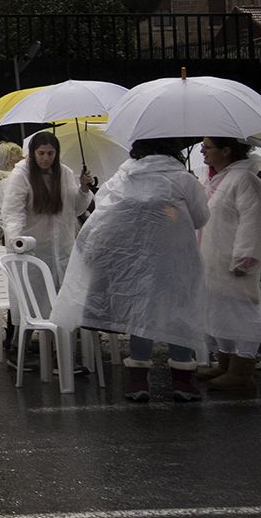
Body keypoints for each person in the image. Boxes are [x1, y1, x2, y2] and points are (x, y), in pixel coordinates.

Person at [53, 137, 210, 403]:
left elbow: (103, 206)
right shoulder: (182, 178)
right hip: (175, 259)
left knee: (141, 313)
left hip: (134, 261)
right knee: (179, 313)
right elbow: (200, 218)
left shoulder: (124, 176)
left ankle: (138, 381)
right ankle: (182, 381)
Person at [196, 137, 261, 392]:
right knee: (220, 313)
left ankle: (242, 371)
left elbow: (252, 219)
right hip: (213, 260)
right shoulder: (217, 178)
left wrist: (246, 258)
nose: (203, 151)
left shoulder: (245, 179)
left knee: (243, 315)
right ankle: (225, 363)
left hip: (235, 261)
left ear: (226, 151)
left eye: (207, 146)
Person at [0, 131, 94, 285]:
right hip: (32, 251)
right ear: (33, 153)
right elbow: (13, 213)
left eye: (50, 153)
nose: (46, 158)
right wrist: (16, 239)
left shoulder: (65, 173)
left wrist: (83, 188)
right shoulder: (21, 175)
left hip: (62, 249)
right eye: (41, 153)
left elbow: (75, 209)